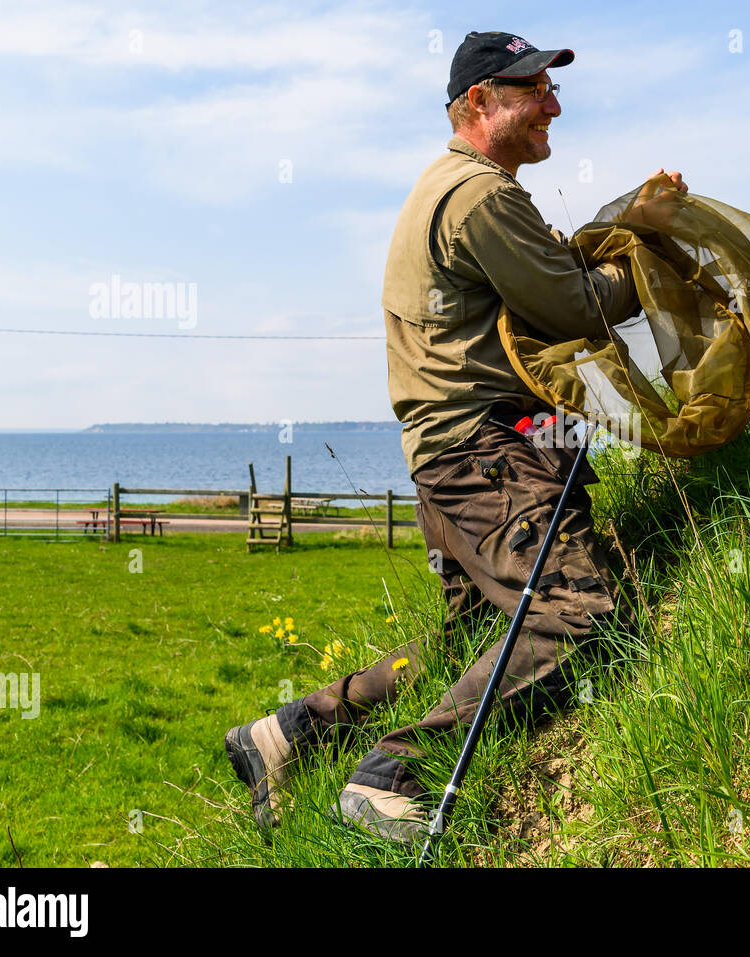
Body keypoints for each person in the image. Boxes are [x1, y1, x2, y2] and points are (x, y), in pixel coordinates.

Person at [225, 29, 688, 844]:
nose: (553, 103)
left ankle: (294, 728)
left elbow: (551, 275)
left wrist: (635, 223)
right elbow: (574, 304)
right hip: (491, 457)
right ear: (480, 102)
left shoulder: (457, 190)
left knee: (478, 636)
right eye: (533, 89)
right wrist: (655, 257)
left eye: (551, 87)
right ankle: (390, 775)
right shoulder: (478, 196)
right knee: (578, 615)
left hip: (452, 464)